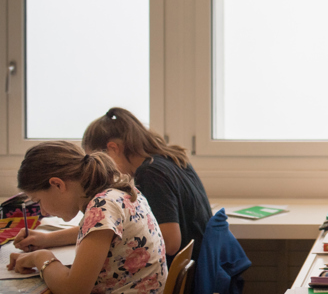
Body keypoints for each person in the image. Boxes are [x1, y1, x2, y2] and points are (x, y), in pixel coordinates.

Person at [9, 141, 167, 293]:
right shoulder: (117, 191)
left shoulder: (101, 206)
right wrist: (46, 239)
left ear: (57, 184)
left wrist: (41, 257)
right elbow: (98, 233)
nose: (42, 211)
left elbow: (73, 290)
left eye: (38, 201)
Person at [81, 107, 212, 264]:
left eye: (98, 161)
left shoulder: (151, 174)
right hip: (201, 266)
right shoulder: (170, 157)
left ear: (113, 148)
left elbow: (170, 244)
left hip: (178, 276)